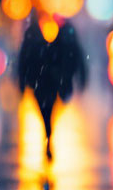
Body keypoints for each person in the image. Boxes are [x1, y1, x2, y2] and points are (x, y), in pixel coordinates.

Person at [17, 17, 88, 161]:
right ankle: (48, 135)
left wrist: (24, 83)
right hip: (48, 82)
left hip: (43, 82)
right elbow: (77, 60)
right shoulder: (64, 39)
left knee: (47, 112)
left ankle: (48, 135)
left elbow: (23, 62)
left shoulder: (34, 40)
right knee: (48, 112)